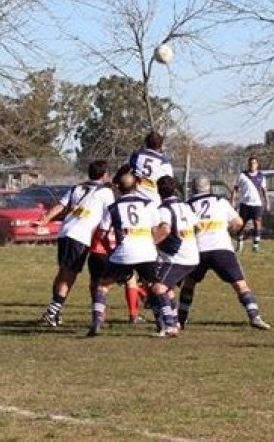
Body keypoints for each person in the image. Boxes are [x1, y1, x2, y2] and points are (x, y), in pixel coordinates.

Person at [178, 176, 272, 330]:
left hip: (198, 250)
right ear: (209, 187)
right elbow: (239, 222)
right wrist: (229, 230)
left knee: (189, 284)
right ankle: (254, 316)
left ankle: (181, 319)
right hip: (221, 248)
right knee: (240, 284)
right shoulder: (220, 201)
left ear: (192, 189)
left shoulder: (187, 206)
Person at [88, 170, 168, 337]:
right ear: (137, 185)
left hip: (123, 253)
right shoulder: (149, 204)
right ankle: (161, 324)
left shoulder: (113, 207)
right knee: (153, 286)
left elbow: (102, 233)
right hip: (146, 251)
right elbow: (158, 229)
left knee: (103, 286)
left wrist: (110, 252)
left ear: (119, 188)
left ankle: (96, 322)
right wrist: (152, 244)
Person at [38, 160, 115, 327]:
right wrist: (105, 232)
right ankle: (52, 311)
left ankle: (55, 312)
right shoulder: (106, 192)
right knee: (69, 275)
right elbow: (110, 215)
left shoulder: (77, 187)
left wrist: (45, 219)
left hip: (65, 232)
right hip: (82, 235)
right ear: (104, 175)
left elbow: (60, 206)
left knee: (63, 273)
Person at [150, 175, 201, 334]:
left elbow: (164, 229)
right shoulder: (185, 206)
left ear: (159, 191)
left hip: (177, 257)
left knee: (158, 288)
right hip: (192, 255)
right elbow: (198, 226)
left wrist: (151, 243)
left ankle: (170, 325)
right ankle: (176, 322)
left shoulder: (163, 209)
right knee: (169, 288)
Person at [231, 156, 268, 253]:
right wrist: (232, 201)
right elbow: (235, 189)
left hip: (257, 204)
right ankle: (239, 244)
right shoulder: (242, 175)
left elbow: (264, 190)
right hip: (245, 204)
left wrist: (267, 202)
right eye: (251, 163)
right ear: (248, 164)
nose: (252, 165)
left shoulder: (261, 176)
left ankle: (255, 245)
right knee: (241, 224)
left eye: (254, 163)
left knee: (257, 223)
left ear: (257, 165)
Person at [128, 131, 174, 205]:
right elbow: (169, 185)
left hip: (135, 198)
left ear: (146, 142)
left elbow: (126, 171)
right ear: (160, 145)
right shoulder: (164, 163)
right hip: (154, 200)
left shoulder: (136, 156)